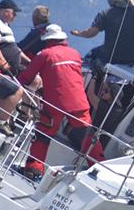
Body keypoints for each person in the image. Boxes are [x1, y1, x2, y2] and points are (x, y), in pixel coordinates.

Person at [17, 24, 104, 180]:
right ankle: (100, 168)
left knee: (43, 135)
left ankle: (34, 169)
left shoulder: (44, 54)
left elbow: (26, 78)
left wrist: (15, 81)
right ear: (63, 39)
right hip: (79, 102)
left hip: (55, 104)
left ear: (48, 40)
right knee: (88, 136)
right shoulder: (75, 54)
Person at [71, 0, 134, 108]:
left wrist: (78, 33)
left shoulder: (105, 13)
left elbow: (91, 33)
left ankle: (86, 85)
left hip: (111, 58)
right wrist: (133, 5)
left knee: (91, 55)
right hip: (131, 59)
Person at [0, 0, 31, 72]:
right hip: (7, 68)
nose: (15, 16)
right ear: (6, 12)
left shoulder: (6, 25)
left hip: (15, 66)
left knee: (36, 78)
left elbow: (16, 48)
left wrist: (29, 61)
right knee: (35, 80)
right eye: (14, 13)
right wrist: (4, 63)